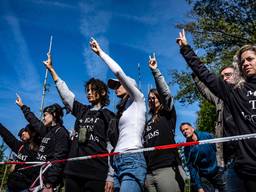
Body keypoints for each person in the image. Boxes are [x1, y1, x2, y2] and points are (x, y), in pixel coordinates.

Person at [177, 29, 256, 191]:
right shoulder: (234, 92)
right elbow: (206, 76)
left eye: (250, 59)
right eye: (243, 62)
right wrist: (186, 49)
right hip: (245, 166)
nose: (246, 63)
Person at [43, 54, 115, 192]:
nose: (88, 93)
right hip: (73, 171)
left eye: (92, 90)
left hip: (97, 173)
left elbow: (111, 146)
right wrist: (52, 70)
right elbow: (66, 95)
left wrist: (110, 176)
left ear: (103, 92)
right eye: (87, 90)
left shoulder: (109, 116)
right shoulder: (82, 110)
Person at [90, 38, 147, 192]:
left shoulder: (139, 100)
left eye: (119, 84)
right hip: (117, 161)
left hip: (132, 159)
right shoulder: (123, 112)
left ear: (130, 86)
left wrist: (100, 53)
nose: (115, 88)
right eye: (114, 86)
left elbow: (118, 72)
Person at [192, 66, 245, 192]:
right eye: (221, 77)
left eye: (228, 75)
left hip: (250, 153)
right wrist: (195, 74)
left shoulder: (247, 94)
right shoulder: (219, 100)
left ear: (238, 75)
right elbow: (205, 90)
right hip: (230, 159)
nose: (224, 79)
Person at [143, 53, 184, 192]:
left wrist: (155, 71)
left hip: (167, 168)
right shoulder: (147, 123)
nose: (151, 100)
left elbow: (166, 94)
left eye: (154, 97)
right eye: (149, 98)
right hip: (149, 173)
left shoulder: (167, 114)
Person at [16, 96, 70, 191]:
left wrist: (50, 183)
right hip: (37, 177)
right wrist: (22, 106)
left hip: (47, 182)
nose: (43, 118)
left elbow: (59, 159)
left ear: (53, 114)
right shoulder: (47, 130)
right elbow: (34, 121)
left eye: (45, 115)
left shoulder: (61, 132)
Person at [180, 122, 225, 192]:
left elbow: (217, 149)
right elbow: (192, 168)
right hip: (203, 176)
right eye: (183, 131)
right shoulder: (187, 149)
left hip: (217, 171)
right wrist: (199, 187)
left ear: (192, 129)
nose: (185, 131)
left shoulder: (206, 136)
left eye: (186, 129)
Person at [0, 123, 40, 192]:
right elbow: (8, 136)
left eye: (26, 131)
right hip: (11, 186)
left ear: (32, 133)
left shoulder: (39, 151)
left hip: (24, 188)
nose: (23, 134)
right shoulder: (20, 146)